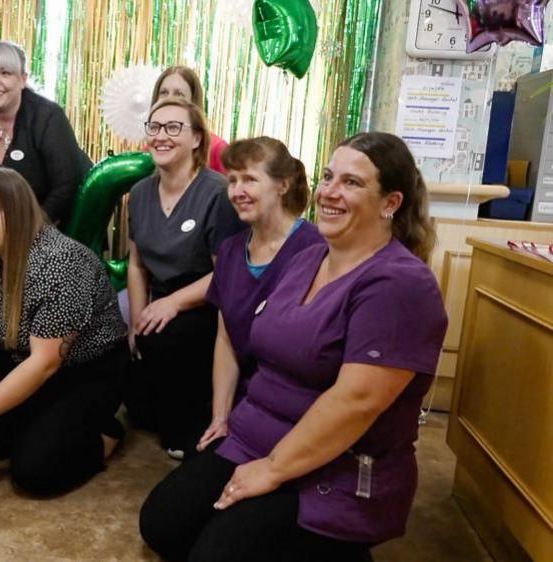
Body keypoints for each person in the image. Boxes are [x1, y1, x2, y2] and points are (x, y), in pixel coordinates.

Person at [139, 132, 448, 561]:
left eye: (352, 183)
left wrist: (272, 470)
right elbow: (238, 332)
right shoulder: (308, 259)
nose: (330, 192)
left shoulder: (400, 284)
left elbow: (357, 401)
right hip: (254, 438)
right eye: (327, 177)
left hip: (334, 467)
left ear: (390, 203)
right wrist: (226, 417)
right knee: (161, 524)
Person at [0, 168, 128, 496]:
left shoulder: (60, 262)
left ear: (20, 207)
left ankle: (108, 434)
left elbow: (45, 363)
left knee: (35, 471)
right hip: (23, 362)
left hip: (87, 373)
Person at [124, 96, 245, 460]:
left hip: (206, 301)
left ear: (196, 139)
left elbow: (226, 274)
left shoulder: (216, 193)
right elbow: (136, 265)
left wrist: (172, 303)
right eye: (155, 127)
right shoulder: (140, 193)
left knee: (169, 337)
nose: (161, 136)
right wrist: (135, 317)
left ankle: (194, 424)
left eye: (174, 127)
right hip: (158, 298)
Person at [196, 137, 324, 452]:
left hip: (296, 413)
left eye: (250, 179)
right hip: (245, 403)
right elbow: (226, 340)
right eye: (232, 181)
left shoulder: (317, 249)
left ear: (282, 185)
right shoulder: (229, 251)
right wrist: (220, 417)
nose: (237, 191)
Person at [0, 40, 91, 225]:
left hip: (48, 224)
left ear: (23, 79)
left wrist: (32, 230)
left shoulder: (47, 117)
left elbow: (66, 186)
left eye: (5, 73)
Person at [151, 65, 230, 174]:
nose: (169, 98)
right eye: (164, 93)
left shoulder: (217, 148)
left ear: (193, 101)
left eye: (179, 94)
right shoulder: (153, 146)